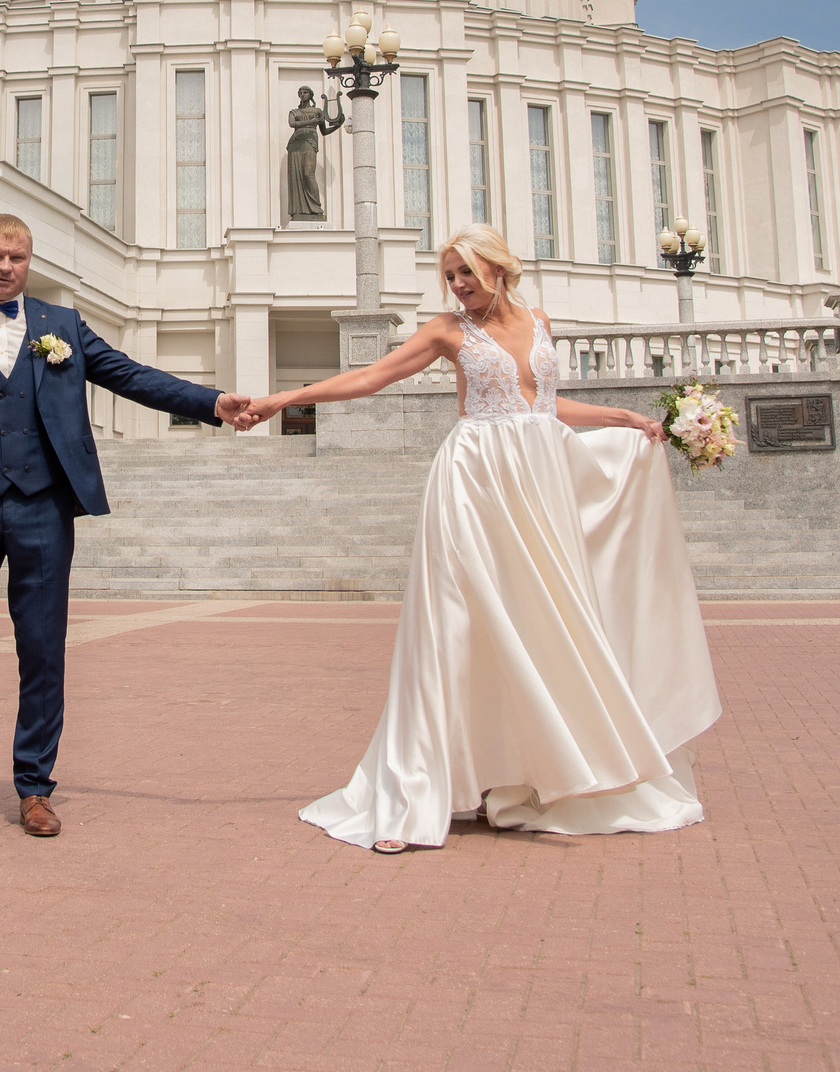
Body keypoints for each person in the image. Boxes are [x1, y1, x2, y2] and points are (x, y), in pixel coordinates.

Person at [237, 223, 720, 853]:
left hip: (541, 480)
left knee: (543, 622)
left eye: (466, 271)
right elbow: (370, 378)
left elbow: (544, 406)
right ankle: (414, 797)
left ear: (498, 268)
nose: (458, 285)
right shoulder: (447, 332)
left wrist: (620, 417)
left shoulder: (541, 321)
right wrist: (286, 400)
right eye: (450, 275)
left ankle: (531, 777)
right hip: (475, 480)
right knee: (456, 627)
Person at [0, 213, 251, 838]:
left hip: (43, 508)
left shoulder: (61, 327)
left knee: (43, 650)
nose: (5, 267)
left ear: (30, 262)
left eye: (17, 257)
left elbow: (131, 376)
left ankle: (34, 788)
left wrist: (208, 402)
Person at [283, 85, 345, 223]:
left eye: (305, 92)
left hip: (310, 142)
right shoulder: (294, 111)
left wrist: (337, 126)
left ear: (311, 95)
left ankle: (316, 208)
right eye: (300, 92)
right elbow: (292, 124)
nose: (302, 94)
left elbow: (324, 131)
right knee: (296, 176)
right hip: (295, 144)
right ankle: (299, 210)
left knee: (308, 173)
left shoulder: (317, 111)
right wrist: (312, 121)